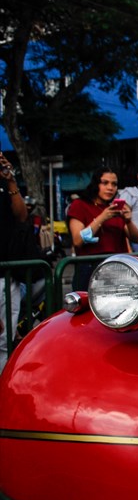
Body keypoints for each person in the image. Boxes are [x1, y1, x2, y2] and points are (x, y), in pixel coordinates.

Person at [67, 167, 138, 291]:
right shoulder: (79, 205)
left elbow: (136, 238)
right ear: (95, 184)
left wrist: (128, 220)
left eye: (114, 184)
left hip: (118, 270)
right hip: (90, 269)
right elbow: (77, 240)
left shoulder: (116, 208)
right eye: (105, 183)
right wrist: (102, 217)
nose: (110, 188)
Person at [1, 152, 28, 369]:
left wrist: (10, 180)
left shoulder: (3, 184)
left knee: (5, 340)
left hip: (9, 273)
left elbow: (21, 216)